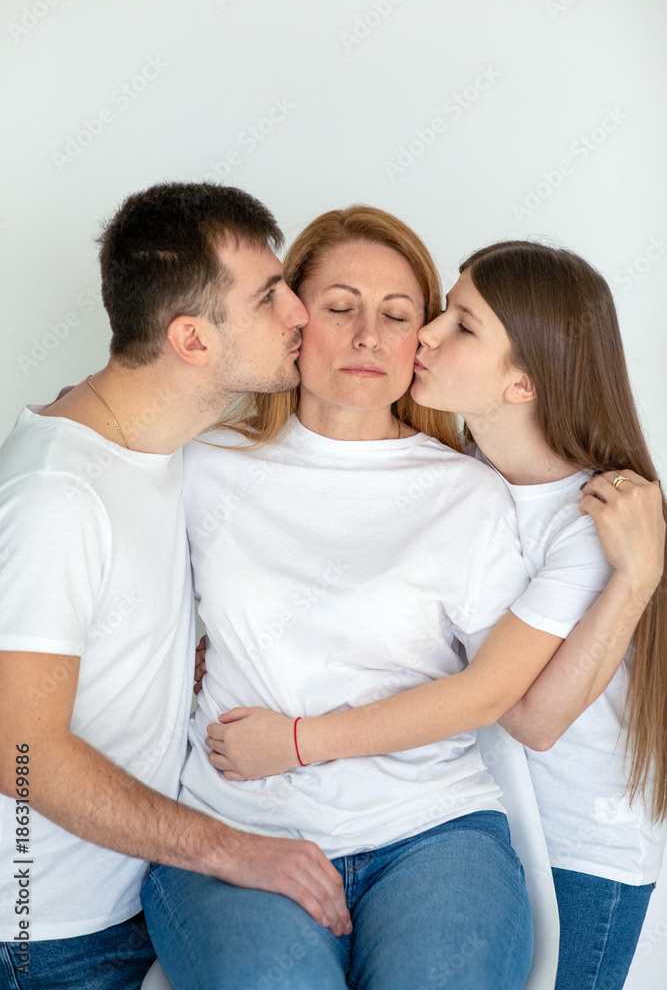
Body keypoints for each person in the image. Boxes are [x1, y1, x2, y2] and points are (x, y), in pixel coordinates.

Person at [141, 206, 631, 990]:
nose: (368, 336)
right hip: (237, 824)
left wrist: (299, 738)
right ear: (293, 320)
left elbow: (501, 696)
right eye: (340, 307)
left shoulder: (471, 493)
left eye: (398, 315)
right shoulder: (201, 468)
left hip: (430, 830)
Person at [0, 182, 352, 990]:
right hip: (50, 939)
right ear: (191, 338)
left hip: (138, 898)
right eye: (268, 297)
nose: (299, 312)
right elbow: (20, 751)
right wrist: (234, 851)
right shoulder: (56, 495)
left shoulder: (154, 451)